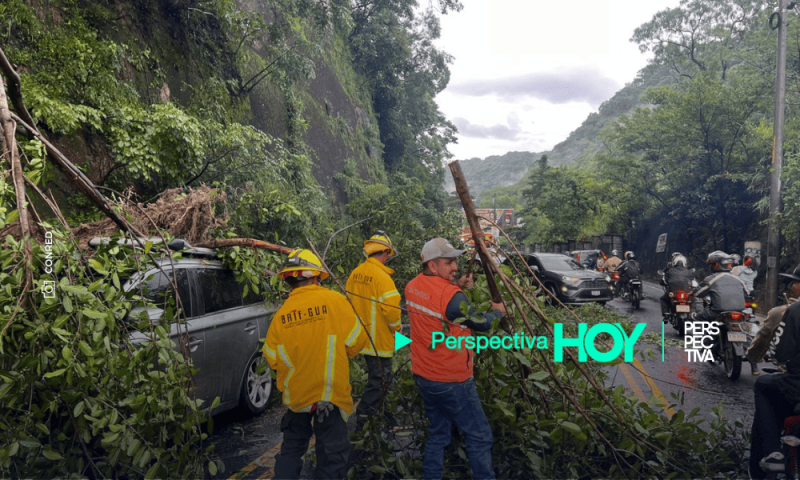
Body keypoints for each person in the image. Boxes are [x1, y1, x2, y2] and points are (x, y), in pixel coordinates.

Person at [405, 237, 507, 480]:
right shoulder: (452, 297)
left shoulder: (412, 286)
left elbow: (438, 305)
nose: (455, 268)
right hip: (452, 380)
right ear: (433, 266)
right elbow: (480, 323)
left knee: (438, 434)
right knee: (480, 435)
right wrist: (498, 312)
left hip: (424, 376)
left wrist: (457, 285)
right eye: (449, 263)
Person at [263, 249, 367, 480]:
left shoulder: (280, 316)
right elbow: (355, 343)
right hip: (329, 396)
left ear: (289, 279)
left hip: (297, 397)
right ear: (315, 276)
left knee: (291, 449)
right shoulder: (334, 301)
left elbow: (272, 357)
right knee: (332, 456)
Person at [748, 264, 800, 478]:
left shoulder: (790, 311)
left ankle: (772, 453)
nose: (791, 286)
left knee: (762, 385)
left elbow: (781, 352)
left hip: (796, 387)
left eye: (794, 283)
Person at [347, 232, 402, 431]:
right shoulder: (383, 277)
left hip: (361, 339)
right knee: (380, 381)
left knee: (379, 380)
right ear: (385, 253)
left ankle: (382, 416)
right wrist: (398, 330)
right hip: (379, 341)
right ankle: (364, 420)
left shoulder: (356, 273)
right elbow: (392, 312)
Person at [659, 254, 694, 319]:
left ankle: (666, 314)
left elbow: (663, 281)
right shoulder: (689, 271)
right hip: (686, 292)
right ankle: (693, 314)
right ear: (685, 263)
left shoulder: (669, 271)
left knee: (663, 299)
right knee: (693, 299)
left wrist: (664, 284)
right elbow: (693, 281)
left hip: (674, 292)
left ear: (674, 262)